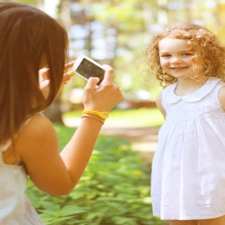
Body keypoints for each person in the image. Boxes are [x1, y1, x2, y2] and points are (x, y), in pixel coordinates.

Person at [0, 2, 123, 224]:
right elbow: (60, 184)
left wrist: (29, 100)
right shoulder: (28, 128)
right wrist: (95, 113)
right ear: (32, 61)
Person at [148, 23, 225, 225]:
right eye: (167, 55)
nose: (176, 61)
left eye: (186, 53)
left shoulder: (219, 93)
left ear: (207, 55)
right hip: (175, 178)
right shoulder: (164, 98)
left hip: (212, 178)